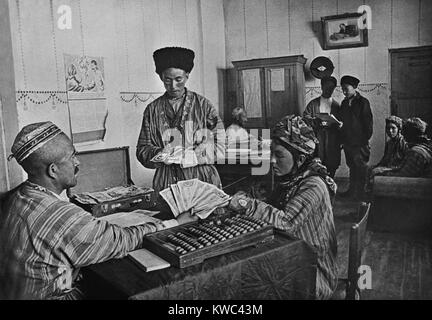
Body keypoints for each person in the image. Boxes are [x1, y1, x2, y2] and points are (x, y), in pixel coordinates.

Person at [0, 122, 197, 300]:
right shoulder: (61, 217)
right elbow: (121, 239)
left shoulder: (16, 196)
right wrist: (176, 223)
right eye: (72, 157)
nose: (78, 163)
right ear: (53, 170)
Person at [228, 115, 338, 300]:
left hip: (313, 275)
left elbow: (286, 222)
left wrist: (246, 204)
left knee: (245, 286)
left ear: (300, 158)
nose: (271, 160)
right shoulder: (293, 179)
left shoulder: (313, 185)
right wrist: (251, 197)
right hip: (296, 258)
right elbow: (273, 206)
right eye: (270, 153)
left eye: (278, 155)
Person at [136, 47, 225, 193]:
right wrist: (161, 154)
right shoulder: (152, 110)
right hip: (166, 183)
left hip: (201, 180)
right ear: (160, 77)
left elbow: (221, 144)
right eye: (167, 80)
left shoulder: (203, 106)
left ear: (187, 75)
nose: (173, 86)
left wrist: (194, 157)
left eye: (178, 79)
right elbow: (142, 150)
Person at [338, 75, 373, 200]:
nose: (344, 92)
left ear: (355, 88)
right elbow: (343, 122)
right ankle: (352, 191)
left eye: (346, 88)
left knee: (361, 169)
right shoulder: (344, 103)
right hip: (348, 142)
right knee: (352, 167)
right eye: (342, 89)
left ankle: (360, 195)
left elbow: (368, 124)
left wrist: (364, 141)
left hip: (360, 143)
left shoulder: (363, 102)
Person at [303, 76, 342, 178]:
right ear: (321, 87)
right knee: (317, 164)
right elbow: (305, 118)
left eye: (331, 88)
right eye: (326, 87)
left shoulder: (336, 106)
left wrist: (336, 124)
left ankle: (330, 185)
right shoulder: (313, 104)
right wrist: (316, 121)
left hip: (332, 139)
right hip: (318, 138)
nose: (329, 90)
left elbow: (341, 122)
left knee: (332, 164)